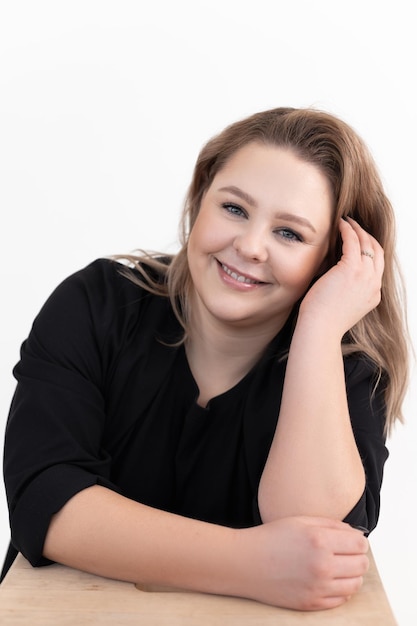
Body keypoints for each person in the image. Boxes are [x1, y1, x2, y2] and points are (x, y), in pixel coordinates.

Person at [2, 107, 409, 610]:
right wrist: (249, 561)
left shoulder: (347, 365)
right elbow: (45, 499)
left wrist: (319, 328)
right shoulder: (97, 304)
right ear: (199, 199)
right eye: (235, 209)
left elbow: (316, 543)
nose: (250, 246)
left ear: (332, 261)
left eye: (290, 234)